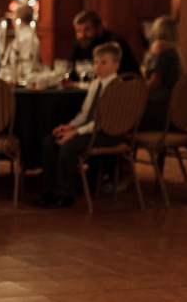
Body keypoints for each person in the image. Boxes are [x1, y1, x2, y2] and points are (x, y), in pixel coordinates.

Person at [35, 41, 125, 208]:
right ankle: (50, 192)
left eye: (103, 62)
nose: (98, 67)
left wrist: (76, 133)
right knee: (50, 141)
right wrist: (69, 126)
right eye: (96, 62)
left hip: (108, 133)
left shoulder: (116, 88)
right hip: (91, 128)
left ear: (116, 65)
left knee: (69, 146)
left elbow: (102, 122)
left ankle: (64, 194)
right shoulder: (96, 84)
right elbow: (85, 114)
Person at [141, 15, 182, 130]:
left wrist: (135, 93)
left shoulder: (160, 46)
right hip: (173, 110)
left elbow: (155, 83)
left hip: (159, 108)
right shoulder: (174, 50)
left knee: (120, 115)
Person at [69, 10, 139, 75]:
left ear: (99, 28)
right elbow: (72, 68)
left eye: (87, 29)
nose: (82, 35)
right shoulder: (79, 43)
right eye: (78, 30)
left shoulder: (114, 43)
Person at [1, 3, 40, 69]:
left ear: (18, 17)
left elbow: (26, 64)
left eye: (13, 14)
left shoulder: (27, 37)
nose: (12, 18)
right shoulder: (21, 35)